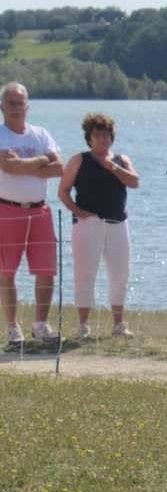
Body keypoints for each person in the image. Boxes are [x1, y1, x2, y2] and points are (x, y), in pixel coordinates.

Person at [56, 113, 140, 339]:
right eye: (98, 135)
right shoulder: (79, 160)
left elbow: (134, 182)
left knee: (120, 274)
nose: (103, 139)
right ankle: (83, 326)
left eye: (106, 135)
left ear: (112, 138)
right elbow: (63, 191)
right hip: (88, 224)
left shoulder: (121, 160)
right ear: (89, 137)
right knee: (85, 274)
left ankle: (118, 324)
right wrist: (78, 211)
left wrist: (113, 167)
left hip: (117, 223)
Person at [0, 82, 63, 345]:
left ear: (28, 106)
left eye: (20, 103)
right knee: (6, 272)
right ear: (2, 106)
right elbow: (8, 167)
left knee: (46, 269)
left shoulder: (41, 134)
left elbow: (59, 167)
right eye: (11, 103)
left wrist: (24, 163)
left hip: (40, 210)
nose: (17, 108)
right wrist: (40, 161)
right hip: (7, 209)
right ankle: (13, 328)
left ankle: (40, 324)